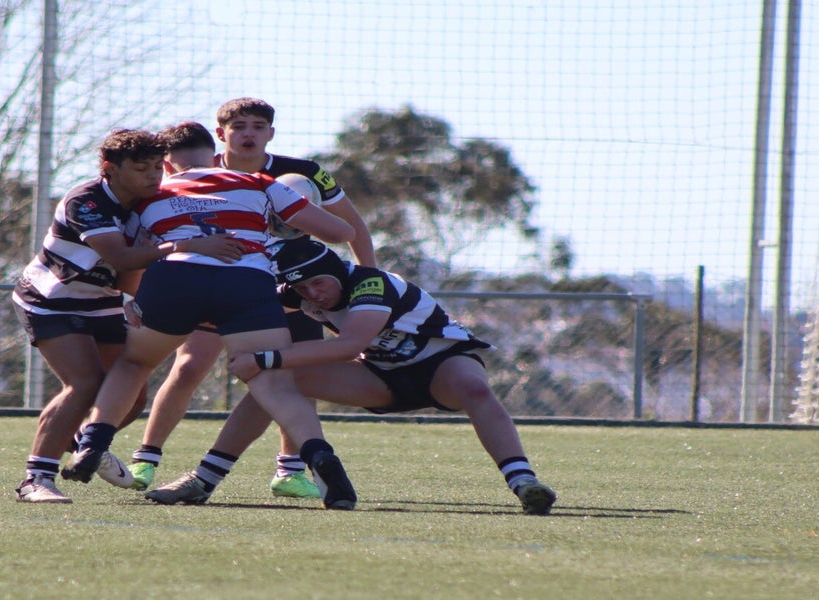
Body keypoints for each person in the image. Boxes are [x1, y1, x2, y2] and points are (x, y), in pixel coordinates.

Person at [60, 121, 361, 510]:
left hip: (174, 279)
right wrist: (281, 222)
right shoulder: (259, 182)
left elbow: (132, 256)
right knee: (273, 381)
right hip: (246, 281)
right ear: (215, 155)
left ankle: (93, 444)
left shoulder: (150, 194)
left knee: (135, 363)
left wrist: (131, 297)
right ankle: (319, 455)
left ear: (167, 164)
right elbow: (341, 232)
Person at [153, 239, 559, 516]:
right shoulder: (300, 291)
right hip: (381, 378)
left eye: (318, 282)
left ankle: (525, 484)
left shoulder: (370, 283)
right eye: (302, 287)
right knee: (271, 385)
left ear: (336, 271)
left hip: (443, 365)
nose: (313, 294)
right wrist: (158, 310)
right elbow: (234, 309)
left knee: (474, 388)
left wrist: (264, 357)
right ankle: (203, 480)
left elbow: (350, 345)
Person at [127, 98, 377, 499]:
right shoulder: (198, 174)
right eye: (239, 126)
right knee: (191, 366)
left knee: (292, 376)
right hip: (227, 285)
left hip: (289, 289)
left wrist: (367, 278)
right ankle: (147, 457)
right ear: (220, 134)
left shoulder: (303, 173)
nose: (249, 134)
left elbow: (352, 226)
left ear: (271, 134)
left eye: (258, 127)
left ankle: (290, 470)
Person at [12, 129, 243, 504]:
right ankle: (36, 479)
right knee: (85, 384)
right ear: (109, 169)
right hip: (51, 298)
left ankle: (84, 444)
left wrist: (136, 298)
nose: (153, 176)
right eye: (141, 168)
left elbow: (125, 275)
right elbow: (120, 256)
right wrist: (186, 245)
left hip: (102, 299)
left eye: (157, 167)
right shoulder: (86, 201)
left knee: (131, 394)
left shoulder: (152, 201)